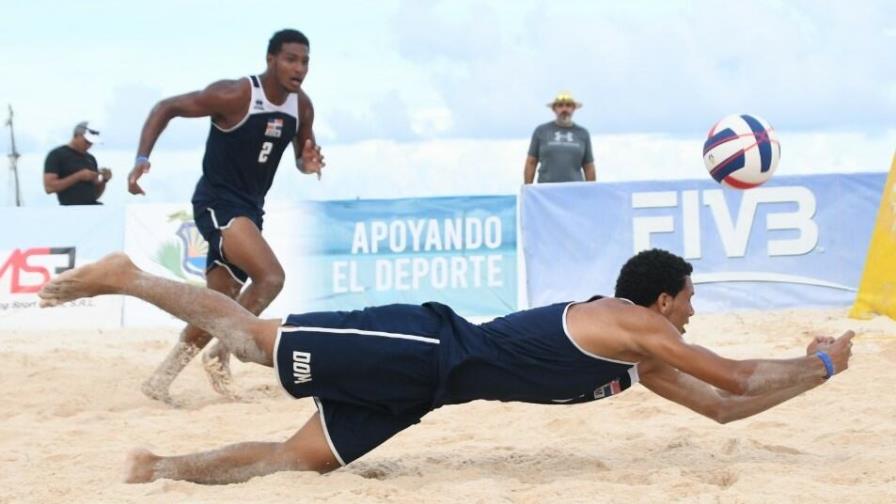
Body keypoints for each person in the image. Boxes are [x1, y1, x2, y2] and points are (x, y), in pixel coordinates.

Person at [38, 248, 854, 485]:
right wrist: (817, 357)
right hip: (427, 344)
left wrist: (821, 375)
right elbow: (734, 376)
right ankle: (127, 275)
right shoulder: (633, 322)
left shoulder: (639, 359)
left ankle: (159, 468)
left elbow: (722, 407)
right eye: (691, 301)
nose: (693, 314)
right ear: (664, 299)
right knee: (252, 342)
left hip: (424, 392)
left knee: (297, 461)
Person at [126, 29, 325, 403]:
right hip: (217, 202)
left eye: (305, 61)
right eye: (291, 59)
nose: (299, 68)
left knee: (218, 303)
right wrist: (141, 159)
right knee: (271, 277)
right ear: (271, 60)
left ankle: (160, 380)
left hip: (251, 209)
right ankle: (223, 352)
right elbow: (165, 107)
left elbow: (302, 155)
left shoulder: (301, 106)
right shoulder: (235, 95)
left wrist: (307, 162)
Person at [524, 91, 595, 184]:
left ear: (573, 108)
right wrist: (528, 188)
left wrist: (591, 190)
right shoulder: (541, 131)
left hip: (575, 189)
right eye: (560, 105)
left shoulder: (583, 133)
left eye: (568, 105)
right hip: (546, 189)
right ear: (554, 109)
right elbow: (531, 162)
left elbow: (588, 166)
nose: (564, 109)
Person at [43, 122, 113, 205]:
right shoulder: (56, 155)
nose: (89, 145)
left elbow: (95, 195)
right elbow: (49, 187)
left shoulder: (91, 158)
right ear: (76, 135)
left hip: (92, 207)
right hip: (70, 208)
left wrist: (104, 180)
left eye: (91, 143)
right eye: (87, 141)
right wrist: (79, 176)